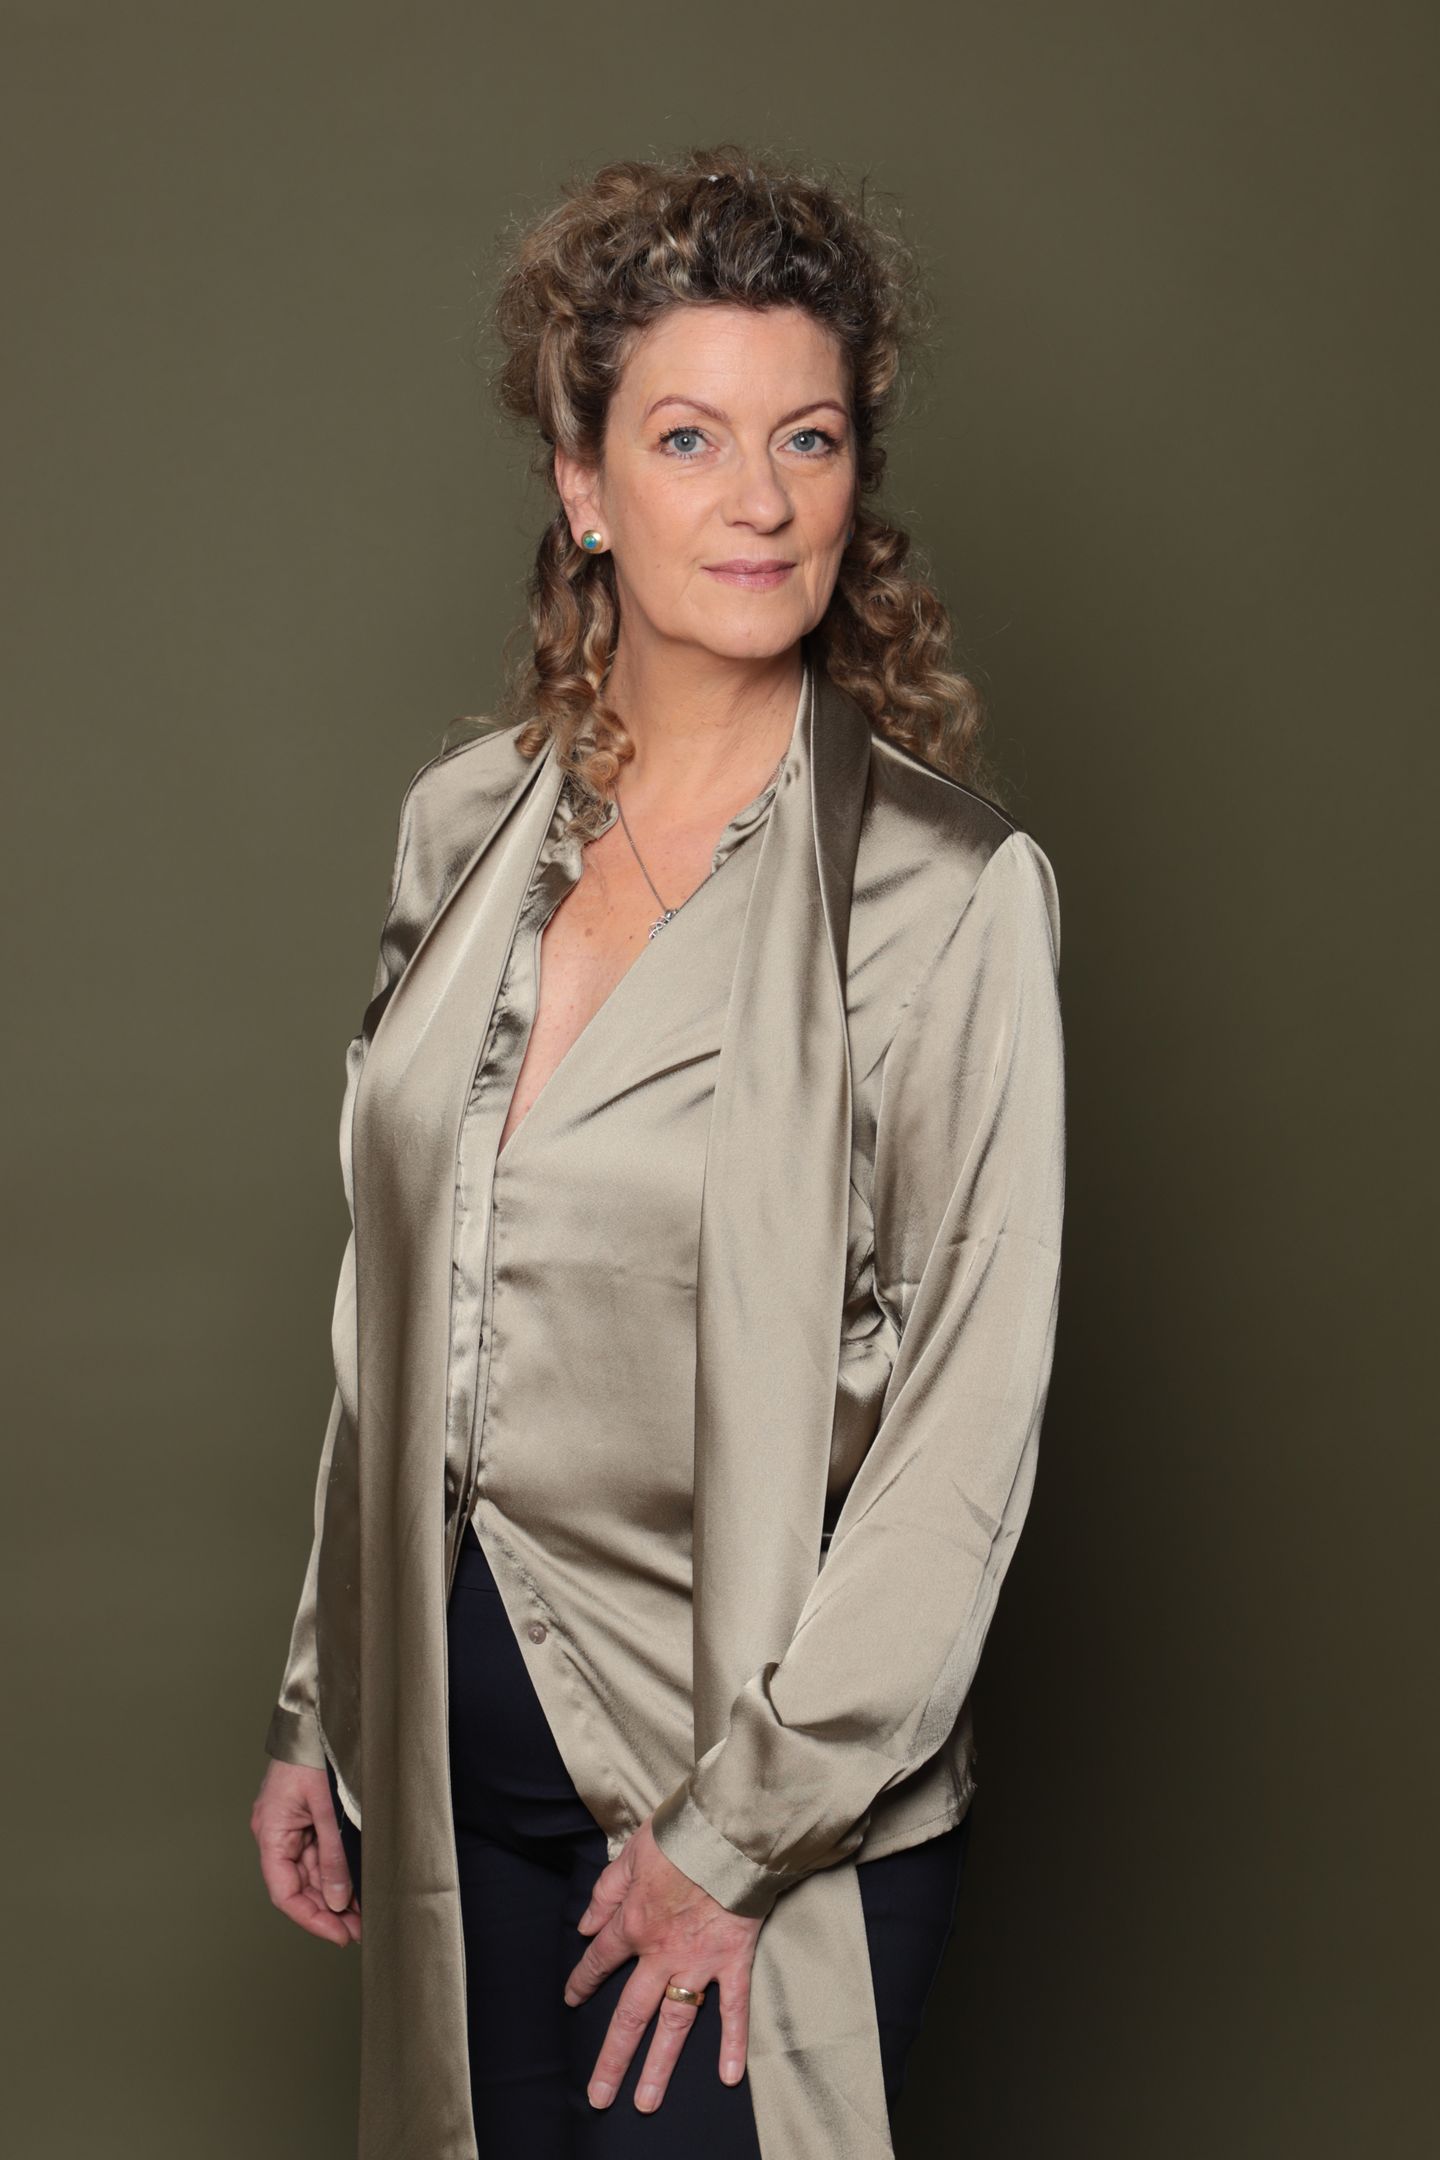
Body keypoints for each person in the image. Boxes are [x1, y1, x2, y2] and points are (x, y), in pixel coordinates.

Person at [250, 145, 1066, 2160]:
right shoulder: (462, 830)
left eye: (810, 437)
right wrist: (321, 1700)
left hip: (751, 1809)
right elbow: (395, 1303)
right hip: (446, 1780)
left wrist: (737, 1837)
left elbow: (966, 1435)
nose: (761, 499)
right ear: (584, 483)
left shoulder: (944, 897)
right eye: (691, 437)